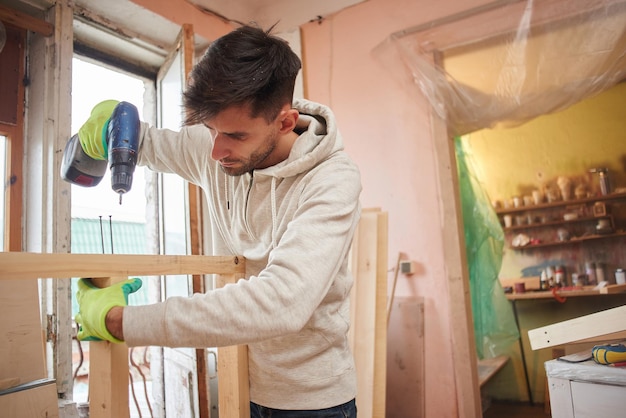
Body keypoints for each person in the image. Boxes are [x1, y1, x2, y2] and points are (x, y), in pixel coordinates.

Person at [74, 24, 362, 417]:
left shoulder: (332, 180)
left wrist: (124, 321)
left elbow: (284, 302)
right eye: (210, 129)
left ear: (283, 121)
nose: (215, 151)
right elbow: (156, 144)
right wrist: (112, 130)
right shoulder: (222, 145)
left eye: (234, 136)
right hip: (240, 382)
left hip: (311, 400)